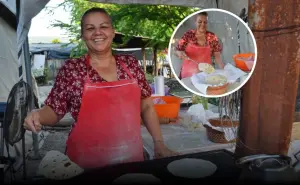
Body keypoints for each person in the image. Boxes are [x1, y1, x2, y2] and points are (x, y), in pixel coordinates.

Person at [23, 7, 178, 169]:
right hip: (85, 162)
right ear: (83, 35)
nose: (98, 32)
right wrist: (37, 115)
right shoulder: (72, 69)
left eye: (103, 26)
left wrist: (159, 143)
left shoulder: (130, 65)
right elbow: (55, 111)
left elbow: (146, 106)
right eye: (90, 28)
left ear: (112, 31)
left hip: (131, 157)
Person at [175, 12, 225, 79]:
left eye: (205, 22)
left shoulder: (212, 36)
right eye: (200, 22)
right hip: (188, 75)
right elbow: (178, 50)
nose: (202, 24)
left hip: (206, 74)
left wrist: (224, 71)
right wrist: (179, 53)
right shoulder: (188, 35)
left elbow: (217, 56)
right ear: (195, 22)